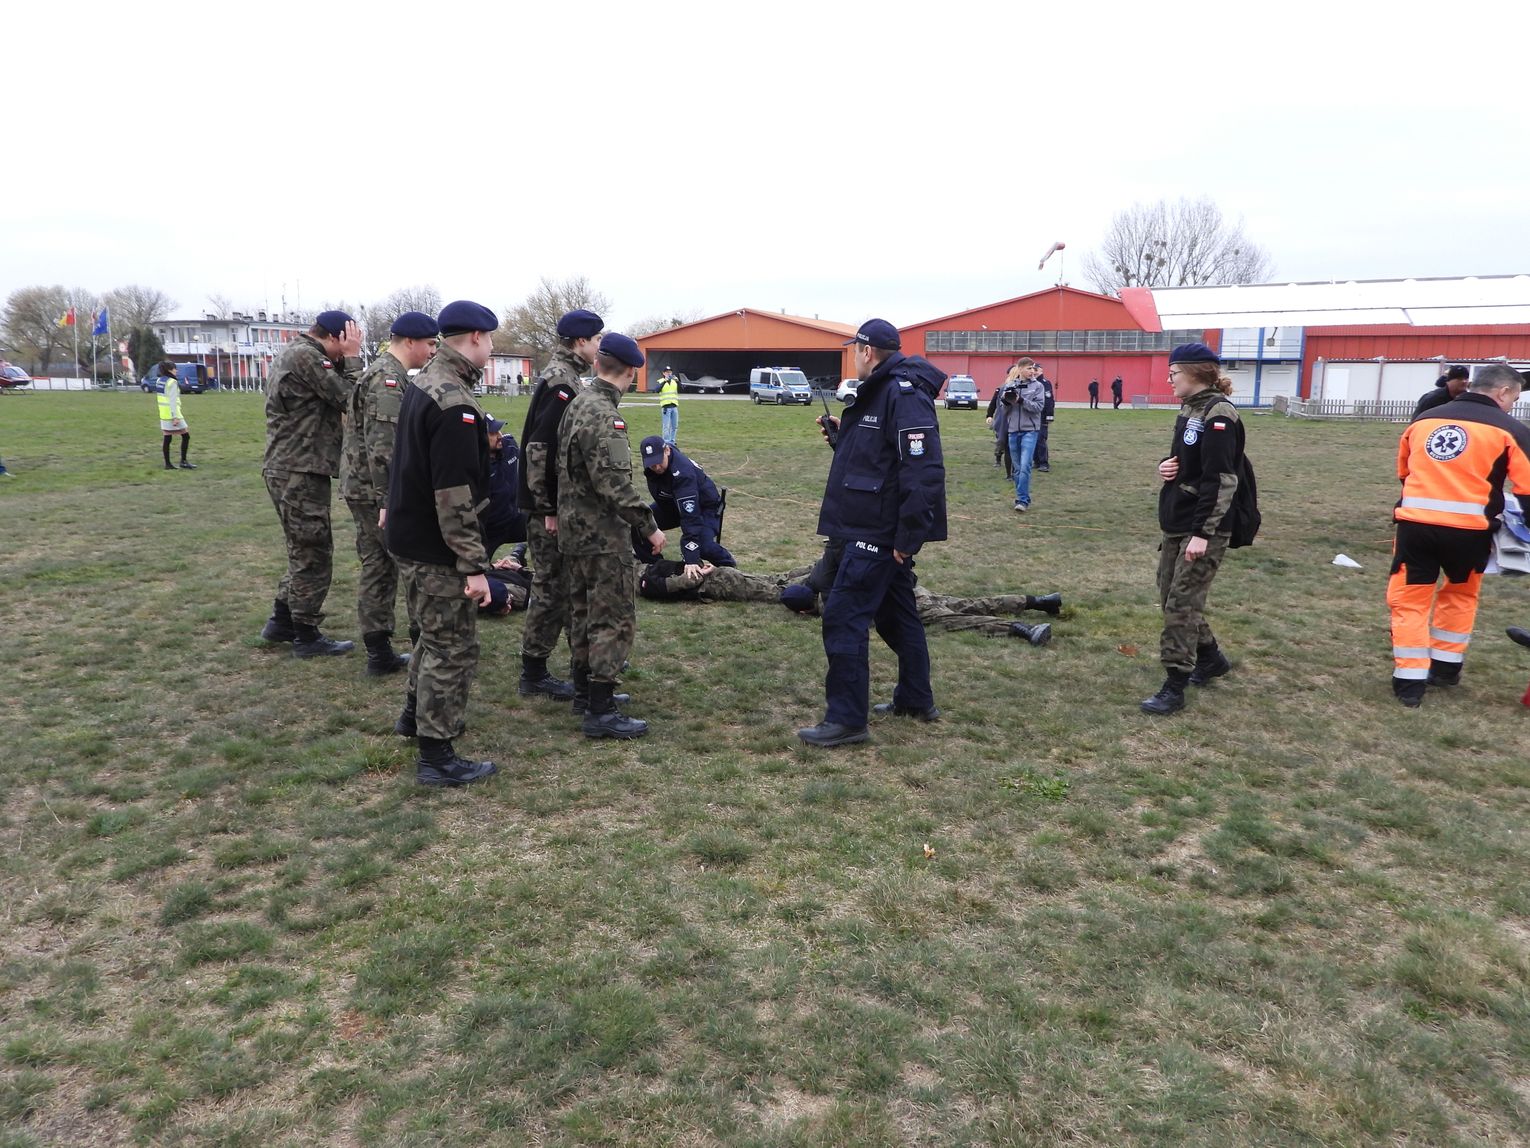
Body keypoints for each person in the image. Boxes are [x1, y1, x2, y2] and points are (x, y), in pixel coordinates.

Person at [798, 318, 947, 747]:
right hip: (871, 525)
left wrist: (907, 538)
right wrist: (843, 439)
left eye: (854, 350)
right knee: (897, 616)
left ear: (867, 352)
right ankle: (915, 699)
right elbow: (879, 456)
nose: (854, 358)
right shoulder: (880, 390)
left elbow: (923, 471)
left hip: (878, 531)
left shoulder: (902, 394)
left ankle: (846, 720)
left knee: (844, 617)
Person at [385, 300, 501, 786]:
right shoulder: (454, 401)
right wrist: (474, 566)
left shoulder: (425, 381)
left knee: (431, 639)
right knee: (453, 647)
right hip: (436, 546)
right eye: (490, 339)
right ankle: (437, 755)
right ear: (475, 337)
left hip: (411, 536)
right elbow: (453, 494)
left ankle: (414, 718)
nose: (491, 348)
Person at [1387, 363, 1530, 706]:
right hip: (1471, 533)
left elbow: (1405, 471)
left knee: (1410, 602)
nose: (1513, 405)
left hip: (1416, 528)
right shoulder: (1511, 429)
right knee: (1461, 596)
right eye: (1514, 398)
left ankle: (1409, 683)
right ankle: (1445, 668)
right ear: (1503, 392)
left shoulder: (1424, 420)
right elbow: (1527, 488)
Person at [556, 332, 664, 738]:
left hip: (573, 532)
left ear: (599, 363)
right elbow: (615, 485)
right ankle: (600, 710)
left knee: (582, 613)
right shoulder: (606, 415)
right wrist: (649, 527)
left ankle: (584, 693)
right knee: (613, 618)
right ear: (631, 372)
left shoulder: (577, 403)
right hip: (602, 537)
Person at [1141, 343, 1246, 716]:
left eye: (1173, 374)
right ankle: (1211, 658)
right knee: (1170, 593)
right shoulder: (1191, 408)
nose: (1169, 380)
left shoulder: (1219, 414)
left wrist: (1202, 534)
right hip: (1178, 518)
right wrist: (1165, 465)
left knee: (1181, 605)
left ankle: (1175, 683)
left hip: (1203, 525)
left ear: (1195, 373)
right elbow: (1188, 460)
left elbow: (1221, 479)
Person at [639, 552, 1058, 643]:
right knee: (959, 607)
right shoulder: (817, 582)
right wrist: (693, 578)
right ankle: (1032, 606)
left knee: (953, 615)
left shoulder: (818, 597)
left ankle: (1023, 620)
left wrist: (700, 567)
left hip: (884, 594)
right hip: (887, 588)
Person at [259, 310, 363, 657]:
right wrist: (352, 359)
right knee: (314, 553)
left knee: (302, 549)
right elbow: (352, 399)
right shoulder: (308, 356)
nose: (346, 350)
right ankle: (306, 635)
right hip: (298, 469)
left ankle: (281, 621)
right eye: (346, 342)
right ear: (334, 337)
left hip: (292, 467)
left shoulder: (297, 352)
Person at [340, 311, 437, 676]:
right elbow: (384, 449)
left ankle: (379, 652)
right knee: (411, 566)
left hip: (363, 488)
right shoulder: (387, 380)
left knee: (377, 567)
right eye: (430, 344)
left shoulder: (384, 373)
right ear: (410, 341)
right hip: (377, 493)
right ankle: (422, 647)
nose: (433, 351)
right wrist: (389, 501)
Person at [515, 308, 604, 700]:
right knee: (552, 587)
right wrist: (547, 508)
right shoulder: (561, 382)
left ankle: (582, 665)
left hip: (555, 504)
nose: (599, 346)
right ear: (580, 341)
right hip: (548, 508)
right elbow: (540, 449)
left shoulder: (567, 376)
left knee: (565, 586)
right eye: (597, 340)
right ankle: (534, 671)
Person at [637, 435, 735, 568]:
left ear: (667, 451)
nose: (657, 467)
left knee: (703, 546)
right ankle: (655, 569)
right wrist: (651, 528)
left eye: (659, 461)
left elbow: (690, 516)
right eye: (652, 464)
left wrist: (691, 558)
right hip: (673, 505)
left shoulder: (683, 474)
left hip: (704, 508)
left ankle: (729, 567)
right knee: (640, 525)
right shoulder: (653, 468)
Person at [994, 357, 1045, 512]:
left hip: (1030, 431)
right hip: (1013, 432)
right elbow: (1002, 408)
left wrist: (1021, 400)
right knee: (1017, 468)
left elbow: (1038, 407)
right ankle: (1023, 496)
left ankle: (1022, 500)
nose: (1032, 371)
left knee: (1025, 466)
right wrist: (1007, 401)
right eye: (1029, 368)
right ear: (1020, 369)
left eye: (1033, 368)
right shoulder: (1010, 385)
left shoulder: (1038, 386)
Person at [481, 417, 527, 556]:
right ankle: (516, 556)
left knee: (549, 529)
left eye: (499, 431)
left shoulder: (510, 445)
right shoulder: (475, 465)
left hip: (514, 519)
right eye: (493, 433)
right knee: (477, 567)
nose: (499, 436)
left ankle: (517, 554)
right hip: (490, 529)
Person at [156, 361, 195, 471]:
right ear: (169, 370)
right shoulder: (172, 382)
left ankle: (168, 464)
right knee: (186, 436)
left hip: (163, 414)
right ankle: (183, 461)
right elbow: (172, 400)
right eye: (175, 368)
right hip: (173, 414)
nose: (176, 371)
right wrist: (175, 417)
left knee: (167, 438)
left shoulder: (160, 380)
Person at [1034, 368, 1055, 471]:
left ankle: (1044, 463)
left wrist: (1049, 416)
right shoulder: (1031, 383)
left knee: (1040, 439)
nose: (1034, 372)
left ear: (1041, 371)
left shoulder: (1045, 383)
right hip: (1032, 416)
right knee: (1033, 439)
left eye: (1036, 370)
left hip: (1042, 416)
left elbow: (1049, 400)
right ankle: (1036, 461)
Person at [657, 365, 680, 445]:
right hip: (666, 407)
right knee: (666, 426)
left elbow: (682, 388)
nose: (669, 373)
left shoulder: (674, 382)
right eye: (667, 372)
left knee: (674, 426)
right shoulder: (661, 381)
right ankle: (666, 441)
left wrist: (678, 381)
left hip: (674, 406)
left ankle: (672, 441)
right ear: (664, 373)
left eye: (670, 372)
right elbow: (657, 390)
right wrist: (665, 381)